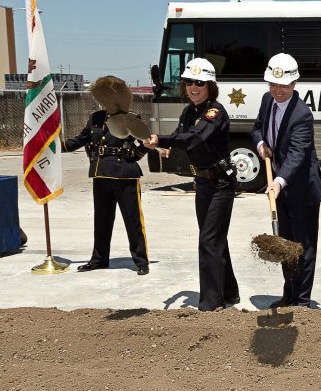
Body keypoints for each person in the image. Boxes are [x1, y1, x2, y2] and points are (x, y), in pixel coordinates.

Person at [143, 59, 240, 309]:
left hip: (220, 185)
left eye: (200, 83)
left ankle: (211, 303)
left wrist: (162, 138)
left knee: (209, 240)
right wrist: (160, 145)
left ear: (210, 85)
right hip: (203, 183)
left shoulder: (214, 112)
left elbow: (195, 138)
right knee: (215, 239)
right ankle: (229, 293)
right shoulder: (189, 111)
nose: (193, 87)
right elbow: (179, 137)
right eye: (188, 82)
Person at [251, 53, 321, 308]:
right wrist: (261, 145)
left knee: (302, 246)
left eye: (283, 85)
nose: (278, 90)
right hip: (280, 188)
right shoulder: (266, 100)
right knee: (284, 244)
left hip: (302, 189)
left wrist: (279, 182)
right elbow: (257, 127)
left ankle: (302, 302)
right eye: (273, 84)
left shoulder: (302, 114)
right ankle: (289, 295)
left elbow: (297, 154)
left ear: (294, 84)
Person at [65, 76, 150, 275]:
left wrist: (133, 157)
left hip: (125, 176)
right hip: (101, 174)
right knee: (101, 220)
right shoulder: (95, 118)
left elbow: (145, 144)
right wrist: (55, 146)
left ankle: (141, 261)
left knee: (133, 220)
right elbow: (81, 139)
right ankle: (99, 259)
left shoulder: (131, 118)